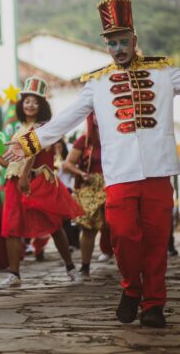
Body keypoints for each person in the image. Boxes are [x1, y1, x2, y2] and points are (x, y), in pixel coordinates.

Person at [6, 0, 180, 328]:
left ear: (135, 40)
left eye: (124, 41)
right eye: (112, 43)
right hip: (120, 175)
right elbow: (65, 118)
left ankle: (154, 304)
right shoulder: (97, 83)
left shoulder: (163, 73)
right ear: (106, 45)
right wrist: (30, 142)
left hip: (160, 171)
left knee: (155, 241)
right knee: (123, 237)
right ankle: (132, 289)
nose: (119, 48)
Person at [0, 77, 83, 288]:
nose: (30, 105)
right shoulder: (19, 128)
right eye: (27, 101)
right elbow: (10, 163)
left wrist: (25, 177)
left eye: (35, 101)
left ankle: (70, 268)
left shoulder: (46, 127)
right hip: (15, 183)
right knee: (11, 228)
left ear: (42, 105)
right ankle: (14, 274)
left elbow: (33, 152)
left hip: (38, 182)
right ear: (21, 104)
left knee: (54, 226)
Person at [62, 113, 108, 279]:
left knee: (118, 226)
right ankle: (85, 266)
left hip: (113, 184)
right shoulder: (84, 140)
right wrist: (81, 173)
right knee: (89, 228)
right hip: (90, 188)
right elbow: (67, 163)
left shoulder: (120, 136)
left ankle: (129, 265)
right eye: (95, 114)